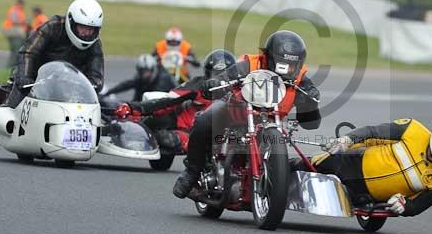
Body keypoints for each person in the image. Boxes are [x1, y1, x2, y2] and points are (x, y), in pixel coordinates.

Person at [173, 30, 321, 199]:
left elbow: (311, 124)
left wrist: (311, 101)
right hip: (235, 109)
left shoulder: (301, 79)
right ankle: (191, 172)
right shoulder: (250, 64)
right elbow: (226, 76)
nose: (287, 69)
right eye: (282, 63)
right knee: (204, 120)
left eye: (292, 64)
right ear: (270, 58)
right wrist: (218, 82)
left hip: (270, 122)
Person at [0, 0, 104, 145]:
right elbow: (28, 51)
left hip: (70, 83)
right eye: (83, 28)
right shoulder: (53, 26)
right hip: (37, 77)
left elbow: (97, 74)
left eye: (91, 30)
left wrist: (91, 86)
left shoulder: (95, 43)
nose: (86, 34)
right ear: (71, 21)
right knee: (17, 101)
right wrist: (25, 77)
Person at [300, 114, 432, 216]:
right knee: (314, 163)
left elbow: (417, 206)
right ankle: (279, 169)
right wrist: (348, 139)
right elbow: (373, 131)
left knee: (356, 200)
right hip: (353, 163)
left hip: (371, 198)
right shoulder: (412, 129)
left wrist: (404, 205)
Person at [116, 49, 237, 157]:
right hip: (190, 134)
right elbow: (167, 101)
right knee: (164, 135)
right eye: (215, 75)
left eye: (224, 75)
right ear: (207, 74)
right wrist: (132, 107)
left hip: (223, 137)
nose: (220, 80)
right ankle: (126, 127)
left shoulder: (240, 90)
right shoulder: (197, 85)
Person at [105, 53, 176, 102]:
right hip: (141, 106)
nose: (144, 75)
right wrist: (107, 93)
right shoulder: (140, 79)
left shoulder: (164, 80)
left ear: (153, 70)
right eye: (142, 72)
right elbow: (126, 85)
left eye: (147, 72)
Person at [2, 0, 28, 66]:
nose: (23, 7)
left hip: (14, 32)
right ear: (19, 4)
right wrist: (24, 22)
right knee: (16, 51)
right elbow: (14, 21)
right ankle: (11, 67)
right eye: (22, 5)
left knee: (16, 50)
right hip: (13, 32)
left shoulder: (18, 11)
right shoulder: (15, 10)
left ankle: (12, 66)